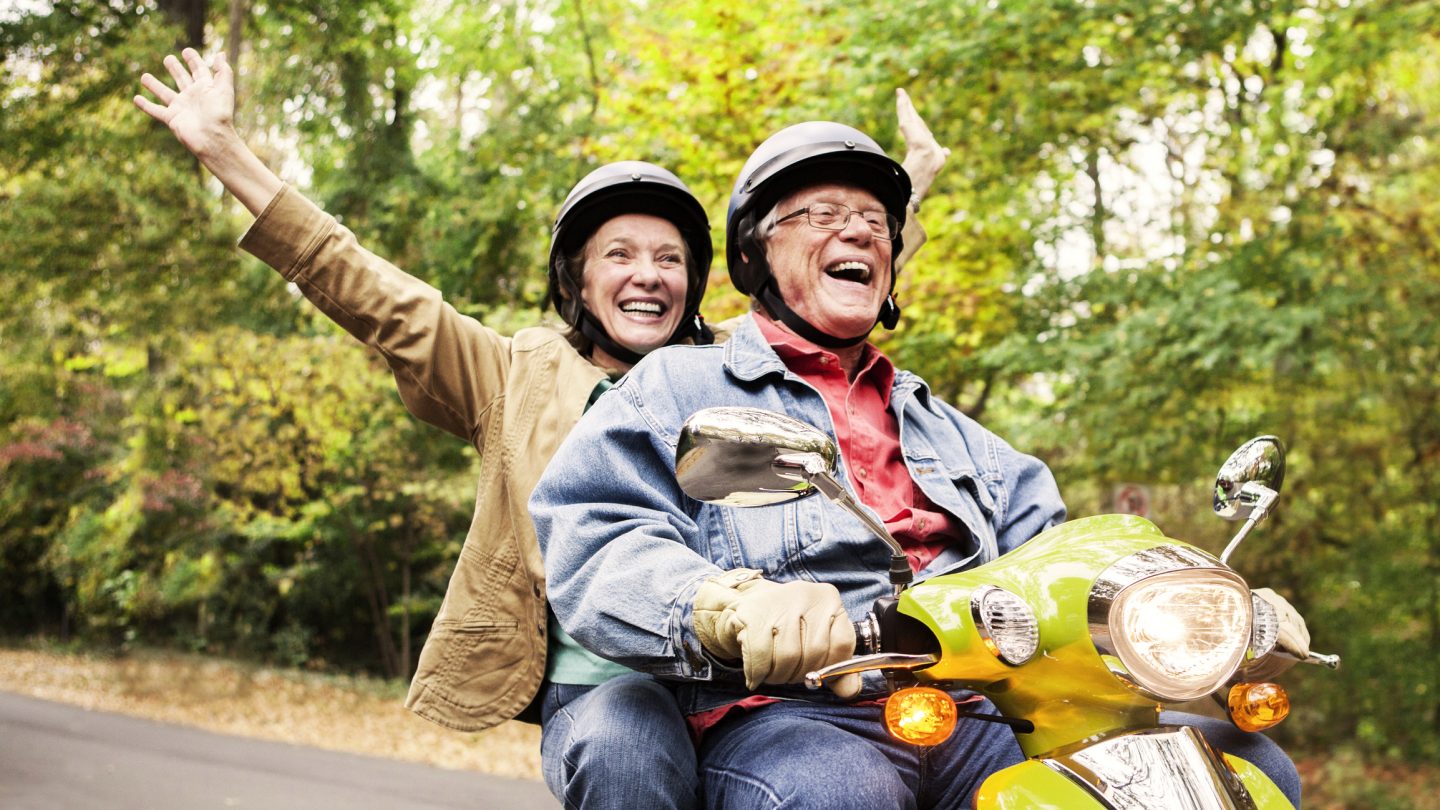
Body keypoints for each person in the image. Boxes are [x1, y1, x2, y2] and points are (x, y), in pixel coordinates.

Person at [133, 49, 955, 808]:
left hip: (744, 683)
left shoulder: (739, 377)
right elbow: (372, 292)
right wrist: (224, 153)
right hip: (602, 684)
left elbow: (826, 290)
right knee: (625, 740)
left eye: (669, 259)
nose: (647, 275)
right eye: (619, 255)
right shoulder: (513, 377)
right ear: (577, 279)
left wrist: (902, 194)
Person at [531, 120, 1312, 807]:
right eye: (824, 215)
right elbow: (598, 537)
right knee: (839, 792)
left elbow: (1067, 563)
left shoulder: (968, 441)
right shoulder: (677, 384)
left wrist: (1203, 610)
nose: (861, 233)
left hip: (982, 712)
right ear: (756, 252)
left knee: (1240, 766)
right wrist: (719, 603)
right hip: (794, 712)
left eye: (875, 221)